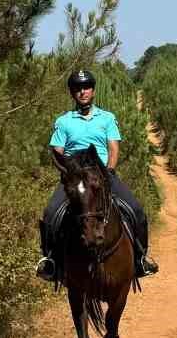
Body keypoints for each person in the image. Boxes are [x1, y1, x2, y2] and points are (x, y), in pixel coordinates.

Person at [36, 69, 159, 281]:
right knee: (50, 214)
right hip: (75, 179)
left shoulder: (107, 118)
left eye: (86, 88)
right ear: (72, 93)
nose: (82, 92)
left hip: (102, 175)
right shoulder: (64, 121)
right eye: (77, 88)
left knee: (136, 210)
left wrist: (109, 172)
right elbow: (57, 151)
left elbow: (113, 147)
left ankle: (140, 259)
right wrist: (67, 172)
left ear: (93, 91)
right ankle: (51, 262)